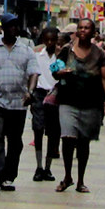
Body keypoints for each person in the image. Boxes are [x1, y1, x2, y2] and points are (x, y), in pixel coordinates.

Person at [0, 13, 38, 194]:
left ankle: (8, 176)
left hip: (18, 103)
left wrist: (30, 92)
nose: (14, 29)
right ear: (3, 28)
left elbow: (34, 73)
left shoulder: (26, 50)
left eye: (16, 26)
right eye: (10, 26)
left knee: (15, 142)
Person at [52, 18, 105, 194]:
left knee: (84, 142)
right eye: (80, 28)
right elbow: (55, 71)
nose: (83, 31)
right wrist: (60, 72)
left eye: (87, 28)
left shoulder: (99, 54)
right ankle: (67, 176)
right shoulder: (66, 51)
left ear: (93, 33)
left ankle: (80, 180)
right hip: (68, 101)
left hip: (91, 104)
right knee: (67, 138)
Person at [31, 27, 60, 182]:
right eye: (47, 39)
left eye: (53, 40)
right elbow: (33, 74)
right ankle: (39, 166)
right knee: (38, 129)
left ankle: (48, 168)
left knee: (54, 133)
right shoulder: (37, 55)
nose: (50, 43)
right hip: (40, 94)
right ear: (43, 40)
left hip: (55, 95)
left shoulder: (60, 57)